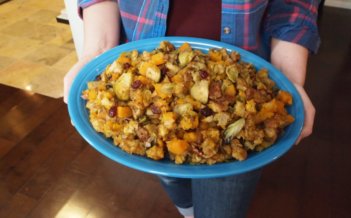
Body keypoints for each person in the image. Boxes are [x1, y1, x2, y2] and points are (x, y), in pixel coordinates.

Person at [64, 1, 319, 217]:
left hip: (245, 82)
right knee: (171, 175)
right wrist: (96, 51)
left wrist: (288, 78)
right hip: (140, 67)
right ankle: (188, 210)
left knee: (222, 206)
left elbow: (295, 6)